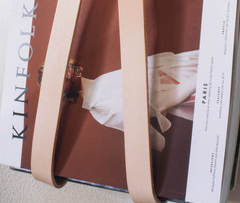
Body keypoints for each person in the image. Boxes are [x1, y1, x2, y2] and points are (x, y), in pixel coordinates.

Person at [41, 51, 199, 152]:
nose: (66, 74)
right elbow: (155, 107)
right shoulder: (98, 108)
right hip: (185, 88)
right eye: (59, 80)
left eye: (61, 70)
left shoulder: (99, 83)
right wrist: (194, 81)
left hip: (179, 71)